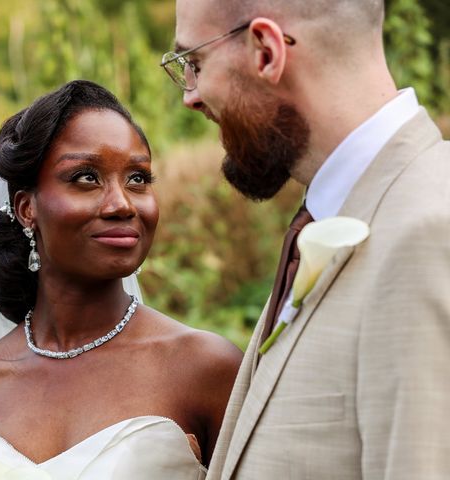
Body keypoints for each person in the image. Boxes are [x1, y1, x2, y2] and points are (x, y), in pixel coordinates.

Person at [162, 1, 450, 479]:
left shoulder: (429, 231)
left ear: (267, 52)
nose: (190, 96)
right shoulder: (335, 213)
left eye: (194, 63)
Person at [0, 80, 242, 479]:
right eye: (86, 177)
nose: (122, 203)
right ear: (26, 208)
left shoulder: (205, 369)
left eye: (138, 178)